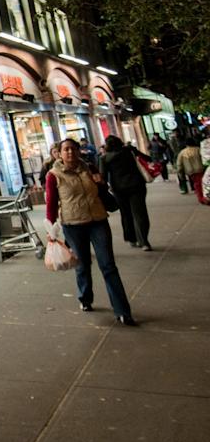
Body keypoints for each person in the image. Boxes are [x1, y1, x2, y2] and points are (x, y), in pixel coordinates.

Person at [46, 138, 135, 325]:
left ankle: (122, 310)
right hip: (73, 224)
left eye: (73, 149)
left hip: (98, 220)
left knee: (108, 265)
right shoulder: (53, 175)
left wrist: (101, 182)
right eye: (66, 149)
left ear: (79, 151)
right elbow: (52, 204)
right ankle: (85, 298)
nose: (70, 152)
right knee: (83, 264)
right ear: (60, 154)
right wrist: (51, 229)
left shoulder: (90, 168)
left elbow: (102, 190)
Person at [101, 135, 152, 250]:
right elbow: (147, 159)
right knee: (140, 214)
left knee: (126, 214)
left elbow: (102, 177)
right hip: (137, 185)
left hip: (119, 189)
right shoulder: (129, 151)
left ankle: (131, 238)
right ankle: (144, 241)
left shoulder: (105, 158)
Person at [176, 137, 208, 205]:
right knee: (202, 184)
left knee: (197, 185)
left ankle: (201, 198)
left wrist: (180, 174)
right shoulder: (198, 150)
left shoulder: (182, 152)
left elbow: (179, 165)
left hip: (190, 172)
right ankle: (204, 198)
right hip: (200, 170)